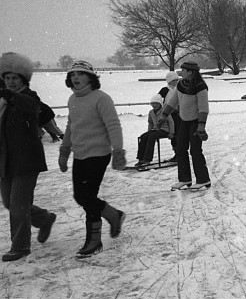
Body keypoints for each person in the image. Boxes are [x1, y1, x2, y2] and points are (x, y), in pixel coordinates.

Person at [58, 60, 126, 258]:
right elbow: (71, 126)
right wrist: (65, 150)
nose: (75, 78)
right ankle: (113, 216)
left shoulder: (101, 98)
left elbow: (113, 125)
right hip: (80, 154)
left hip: (98, 154)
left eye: (80, 74)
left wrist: (118, 151)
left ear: (90, 77)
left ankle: (94, 240)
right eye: (72, 75)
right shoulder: (72, 99)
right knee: (82, 196)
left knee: (86, 196)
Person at [0, 52, 57, 261]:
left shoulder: (30, 98)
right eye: (7, 78)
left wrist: (10, 96)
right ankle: (44, 219)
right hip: (6, 159)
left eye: (15, 78)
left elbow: (29, 107)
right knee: (9, 202)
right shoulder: (3, 100)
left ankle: (20, 246)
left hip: (26, 159)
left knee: (18, 204)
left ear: (23, 80)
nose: (11, 82)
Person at [161, 61, 211, 190]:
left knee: (195, 150)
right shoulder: (181, 85)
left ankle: (203, 179)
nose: (181, 72)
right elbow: (173, 101)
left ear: (191, 72)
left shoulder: (200, 87)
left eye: (183, 70)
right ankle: (184, 179)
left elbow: (203, 108)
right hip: (184, 121)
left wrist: (201, 125)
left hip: (196, 123)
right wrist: (164, 114)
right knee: (180, 149)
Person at [135, 94, 174, 167]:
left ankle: (147, 159)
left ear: (160, 104)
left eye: (156, 104)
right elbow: (150, 123)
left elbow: (171, 122)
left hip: (164, 130)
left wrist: (171, 132)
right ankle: (141, 158)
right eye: (153, 104)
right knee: (143, 137)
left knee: (152, 137)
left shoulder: (164, 111)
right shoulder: (151, 112)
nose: (154, 105)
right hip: (155, 129)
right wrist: (148, 132)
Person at [159, 70, 181, 159]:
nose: (176, 82)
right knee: (172, 134)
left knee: (178, 134)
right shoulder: (165, 90)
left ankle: (179, 153)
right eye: (173, 80)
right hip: (168, 115)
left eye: (177, 80)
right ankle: (176, 152)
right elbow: (158, 100)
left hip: (178, 114)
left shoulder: (179, 89)